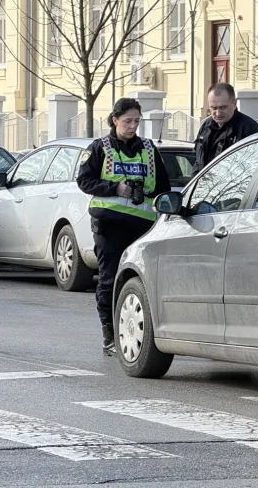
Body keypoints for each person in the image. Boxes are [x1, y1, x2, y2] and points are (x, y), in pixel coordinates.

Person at [77, 98, 171, 356]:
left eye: (137, 122)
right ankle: (109, 335)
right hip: (110, 224)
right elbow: (84, 181)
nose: (132, 126)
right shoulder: (100, 147)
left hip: (143, 226)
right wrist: (115, 188)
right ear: (115, 120)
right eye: (127, 121)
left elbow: (163, 186)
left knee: (142, 281)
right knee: (109, 280)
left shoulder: (149, 149)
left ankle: (139, 333)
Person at [191, 82, 258, 175]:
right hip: (205, 187)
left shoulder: (249, 128)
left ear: (234, 104)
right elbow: (197, 161)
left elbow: (251, 166)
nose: (218, 113)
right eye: (213, 108)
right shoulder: (205, 126)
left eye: (223, 107)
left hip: (233, 187)